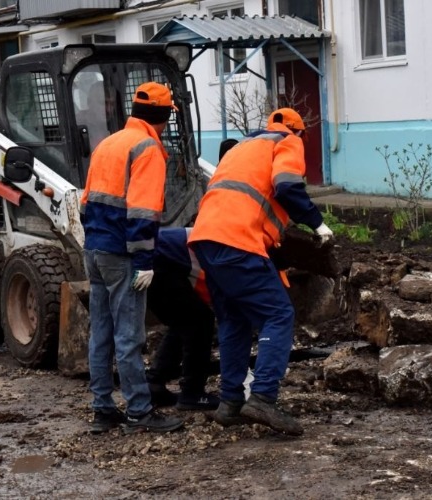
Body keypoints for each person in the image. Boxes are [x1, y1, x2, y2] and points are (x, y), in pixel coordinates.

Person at [188, 108, 333, 436]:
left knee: (233, 320)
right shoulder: (288, 142)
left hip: (205, 240)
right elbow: (286, 188)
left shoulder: (242, 149)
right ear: (299, 132)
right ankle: (264, 397)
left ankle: (230, 403)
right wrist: (317, 223)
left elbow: (246, 199)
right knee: (279, 314)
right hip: (237, 240)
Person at [81, 81, 184, 435]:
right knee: (128, 337)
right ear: (163, 116)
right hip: (122, 254)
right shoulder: (147, 149)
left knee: (101, 335)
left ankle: (103, 410)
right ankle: (139, 412)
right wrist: (143, 261)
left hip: (94, 250)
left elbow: (86, 203)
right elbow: (143, 212)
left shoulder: (108, 144)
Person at [146, 227, 220, 411]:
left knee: (185, 319)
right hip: (160, 259)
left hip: (152, 257)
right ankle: (192, 393)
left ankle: (154, 383)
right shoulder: (241, 252)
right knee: (200, 321)